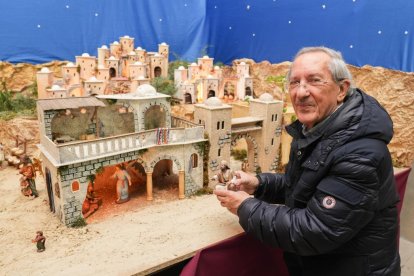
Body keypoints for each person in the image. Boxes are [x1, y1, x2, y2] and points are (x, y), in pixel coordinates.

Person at [214, 47, 400, 275]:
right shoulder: (315, 131)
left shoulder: (360, 153)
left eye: (314, 81)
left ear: (341, 90)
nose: (301, 93)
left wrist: (245, 206)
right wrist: (258, 184)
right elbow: (303, 186)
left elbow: (315, 230)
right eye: (294, 83)